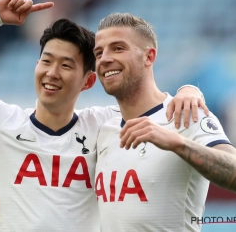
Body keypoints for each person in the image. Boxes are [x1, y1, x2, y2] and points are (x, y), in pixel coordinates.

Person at [0, 0, 207, 231]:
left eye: (66, 65)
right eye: (46, 61)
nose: (52, 73)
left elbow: (151, 104)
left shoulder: (105, 125)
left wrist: (189, 91)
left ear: (88, 81)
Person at [93, 13, 236, 232]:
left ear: (149, 57)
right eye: (99, 52)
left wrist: (177, 143)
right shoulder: (102, 127)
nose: (104, 59)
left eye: (118, 48)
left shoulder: (185, 114)